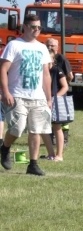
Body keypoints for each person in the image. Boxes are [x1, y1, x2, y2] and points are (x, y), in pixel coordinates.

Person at [0, 14, 53, 176]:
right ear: (25, 27)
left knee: (36, 130)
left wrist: (49, 98)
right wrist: (5, 91)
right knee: (17, 128)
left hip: (37, 97)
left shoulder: (42, 48)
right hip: (17, 95)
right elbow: (3, 69)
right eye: (33, 27)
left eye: (39, 27)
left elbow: (45, 75)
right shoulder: (14, 45)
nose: (36, 30)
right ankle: (5, 148)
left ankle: (33, 164)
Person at [41, 45, 70, 161]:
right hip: (42, 101)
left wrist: (54, 98)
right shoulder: (41, 70)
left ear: (52, 60)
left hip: (55, 102)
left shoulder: (57, 70)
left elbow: (65, 87)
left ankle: (59, 155)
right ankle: (51, 153)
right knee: (42, 128)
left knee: (57, 127)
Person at [45, 38, 73, 147]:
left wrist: (63, 83)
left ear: (58, 47)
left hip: (60, 92)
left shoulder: (62, 59)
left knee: (62, 118)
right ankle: (51, 139)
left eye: (52, 45)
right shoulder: (44, 58)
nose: (50, 47)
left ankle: (64, 139)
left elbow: (70, 75)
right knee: (51, 118)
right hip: (49, 92)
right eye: (48, 44)